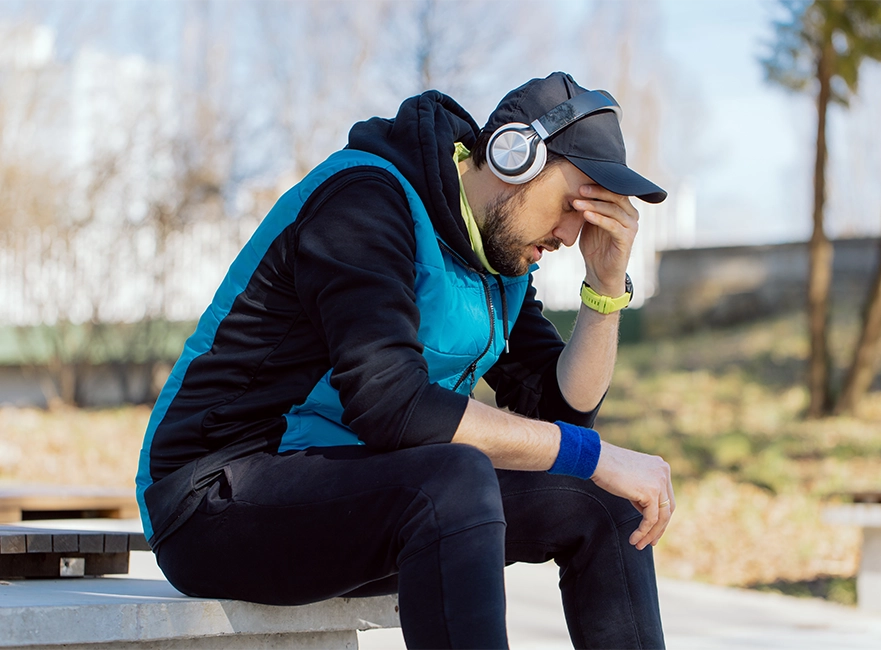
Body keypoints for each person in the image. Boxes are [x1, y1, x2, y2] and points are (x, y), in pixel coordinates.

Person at [136, 71, 674, 649]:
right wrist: (593, 454)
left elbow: (562, 419)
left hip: (359, 501)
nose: (572, 234)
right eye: (573, 205)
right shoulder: (364, 201)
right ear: (513, 155)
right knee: (455, 475)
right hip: (214, 501)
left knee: (609, 501)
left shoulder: (499, 262)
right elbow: (392, 406)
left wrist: (605, 286)